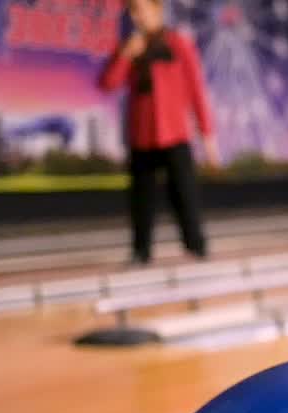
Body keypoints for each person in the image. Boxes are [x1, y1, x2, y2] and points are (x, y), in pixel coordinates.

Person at [99, 0, 219, 265]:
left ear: (157, 11)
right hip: (142, 135)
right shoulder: (130, 47)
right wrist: (126, 56)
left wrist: (207, 136)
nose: (136, 17)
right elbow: (107, 84)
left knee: (184, 193)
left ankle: (197, 246)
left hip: (174, 133)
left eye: (140, 10)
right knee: (141, 198)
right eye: (132, 11)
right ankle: (141, 251)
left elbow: (196, 92)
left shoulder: (179, 44)